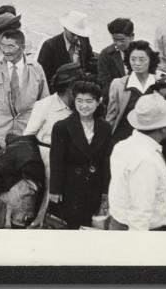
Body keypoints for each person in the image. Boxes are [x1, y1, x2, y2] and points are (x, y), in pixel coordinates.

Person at [0, 29, 49, 228]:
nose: (6, 51)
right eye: (3, 46)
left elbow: (44, 101)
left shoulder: (36, 69)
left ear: (22, 47)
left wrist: (42, 130)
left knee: (23, 178)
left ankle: (18, 222)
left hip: (26, 131)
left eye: (11, 46)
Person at [23, 62, 80, 227]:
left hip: (69, 158)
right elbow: (28, 134)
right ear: (70, 88)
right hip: (46, 157)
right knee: (46, 197)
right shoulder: (45, 105)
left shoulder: (79, 105)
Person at [48, 81, 111, 229]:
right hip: (70, 189)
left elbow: (106, 162)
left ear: (98, 102)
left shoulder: (105, 127)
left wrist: (106, 191)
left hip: (94, 189)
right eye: (79, 101)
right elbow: (56, 162)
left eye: (89, 101)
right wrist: (55, 191)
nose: (84, 106)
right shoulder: (62, 127)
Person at [107, 92, 166, 230]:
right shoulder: (147, 159)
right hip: (138, 229)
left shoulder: (122, 145)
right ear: (165, 128)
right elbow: (140, 214)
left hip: (119, 222)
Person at [106, 40, 163, 146]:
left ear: (151, 61)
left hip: (149, 141)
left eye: (142, 60)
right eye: (133, 59)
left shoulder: (159, 85)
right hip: (122, 140)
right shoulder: (118, 84)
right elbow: (111, 116)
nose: (137, 63)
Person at [37, 11, 95, 89]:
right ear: (65, 28)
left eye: (79, 34)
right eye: (73, 34)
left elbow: (89, 60)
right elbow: (43, 76)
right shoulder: (50, 46)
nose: (76, 38)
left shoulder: (84, 39)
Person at [98, 18, 134, 97]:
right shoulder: (105, 55)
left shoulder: (142, 53)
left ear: (132, 37)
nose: (118, 44)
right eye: (115, 40)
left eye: (122, 40)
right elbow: (105, 84)